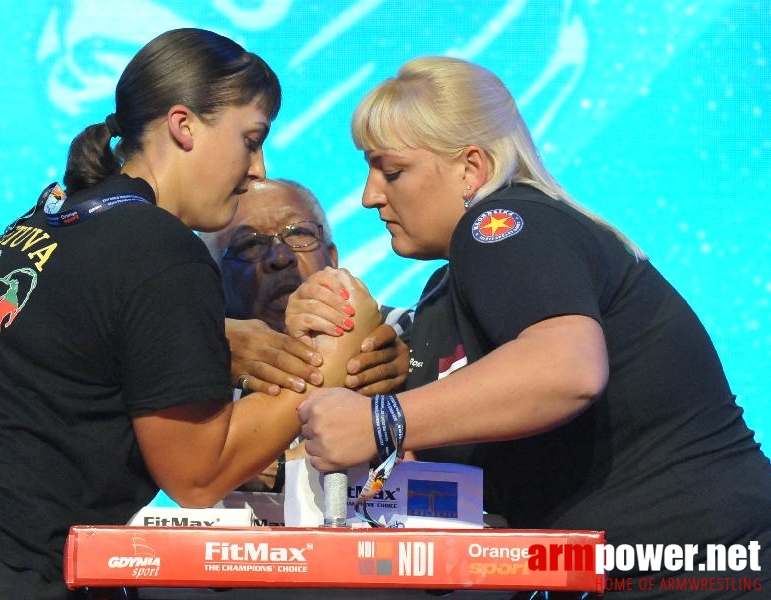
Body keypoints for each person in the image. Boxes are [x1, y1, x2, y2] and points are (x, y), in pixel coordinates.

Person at [0, 28, 379, 600]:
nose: (258, 167)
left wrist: (219, 341)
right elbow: (197, 475)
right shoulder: (158, 247)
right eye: (250, 139)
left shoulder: (53, 222)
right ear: (184, 126)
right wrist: (326, 362)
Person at [291, 56, 771, 597]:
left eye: (392, 170)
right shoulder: (448, 291)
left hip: (703, 567)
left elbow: (567, 371)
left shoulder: (503, 226)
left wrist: (383, 419)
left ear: (471, 168)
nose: (369, 195)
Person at [200, 178, 411, 491]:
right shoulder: (201, 359)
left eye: (298, 233)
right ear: (216, 275)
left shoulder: (402, 333)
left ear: (333, 257)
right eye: (250, 245)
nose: (280, 256)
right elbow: (196, 469)